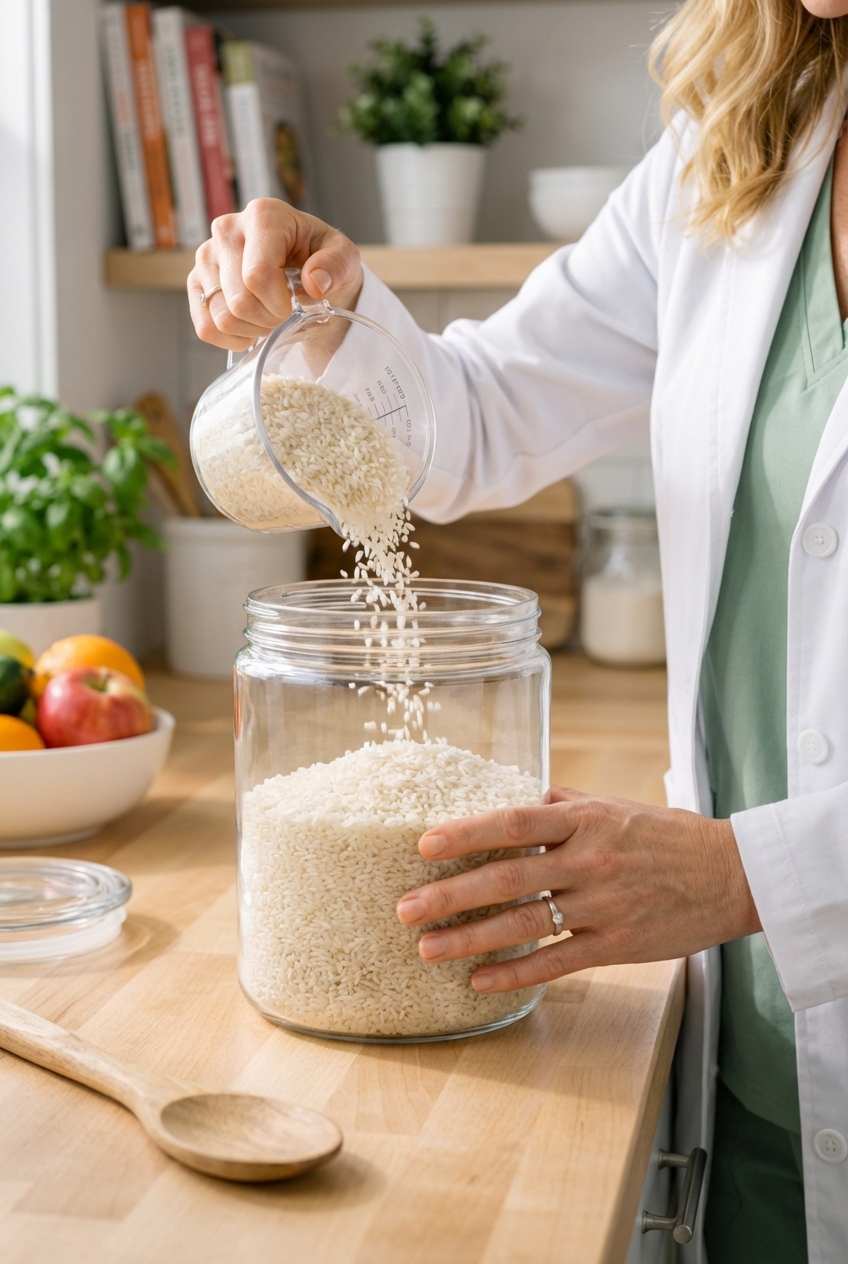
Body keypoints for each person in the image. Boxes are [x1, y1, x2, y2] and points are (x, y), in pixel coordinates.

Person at [188, 0, 848, 1256]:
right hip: (760, 1093)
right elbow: (485, 410)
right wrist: (330, 309)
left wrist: (749, 871)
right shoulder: (744, 121)